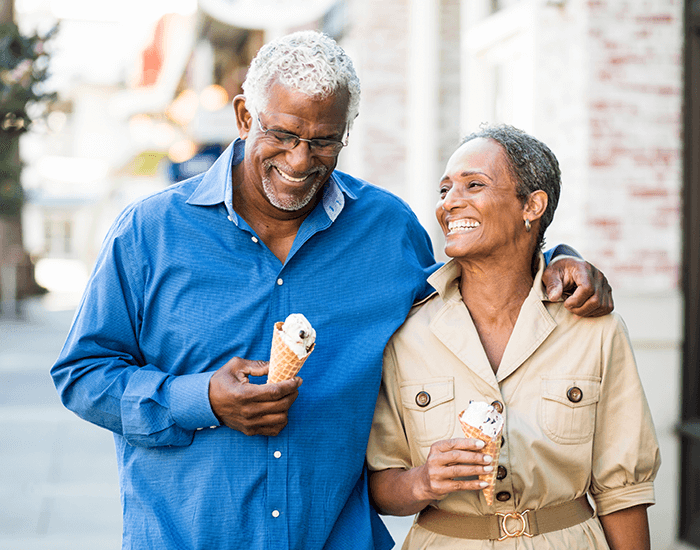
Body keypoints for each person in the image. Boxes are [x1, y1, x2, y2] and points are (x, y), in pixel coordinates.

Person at [51, 32, 613, 550]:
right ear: (246, 116)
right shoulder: (150, 232)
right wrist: (201, 399)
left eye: (323, 142)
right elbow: (81, 374)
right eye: (283, 134)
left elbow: (474, 293)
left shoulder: (385, 230)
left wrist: (555, 258)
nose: (300, 160)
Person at [366, 124, 660, 549]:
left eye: (474, 185)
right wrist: (422, 481)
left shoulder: (595, 330)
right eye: (445, 189)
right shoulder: (407, 333)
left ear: (532, 205)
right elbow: (378, 484)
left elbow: (623, 493)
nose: (450, 202)